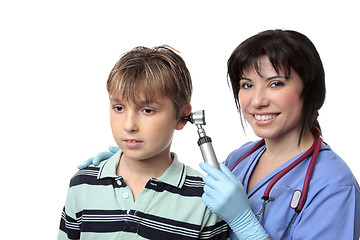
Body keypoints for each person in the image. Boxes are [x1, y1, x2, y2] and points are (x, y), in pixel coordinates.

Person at [79, 30, 360, 239]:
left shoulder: (333, 186)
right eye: (247, 84)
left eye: (275, 83)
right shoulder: (241, 159)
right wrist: (130, 163)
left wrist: (246, 226)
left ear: (309, 89)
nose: (257, 100)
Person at [58, 46, 229, 240]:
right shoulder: (82, 185)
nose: (129, 125)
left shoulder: (206, 199)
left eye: (147, 110)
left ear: (182, 116)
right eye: (119, 107)